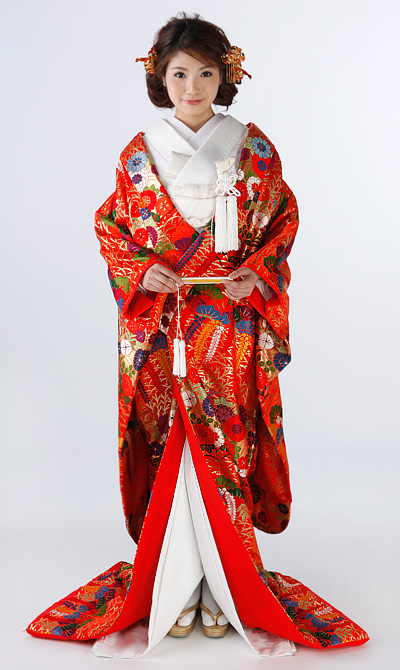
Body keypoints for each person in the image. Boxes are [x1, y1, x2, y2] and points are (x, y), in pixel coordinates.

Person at [26, 13, 369, 658]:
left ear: (225, 76)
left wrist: (255, 273)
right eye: (179, 73)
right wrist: (140, 270)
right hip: (163, 319)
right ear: (159, 77)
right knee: (167, 441)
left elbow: (282, 219)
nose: (192, 87)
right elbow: (111, 228)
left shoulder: (251, 146)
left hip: (226, 320)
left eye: (206, 73)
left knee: (224, 443)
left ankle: (226, 585)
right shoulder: (138, 154)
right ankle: (173, 583)